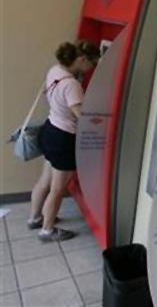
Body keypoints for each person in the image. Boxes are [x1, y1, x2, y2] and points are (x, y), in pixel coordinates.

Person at [28, 40, 100, 242]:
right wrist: (101, 120)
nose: (90, 69)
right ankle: (47, 231)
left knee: (44, 181)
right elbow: (82, 117)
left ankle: (34, 219)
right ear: (82, 59)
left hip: (50, 130)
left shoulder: (55, 70)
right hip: (64, 139)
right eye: (91, 64)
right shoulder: (72, 85)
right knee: (57, 190)